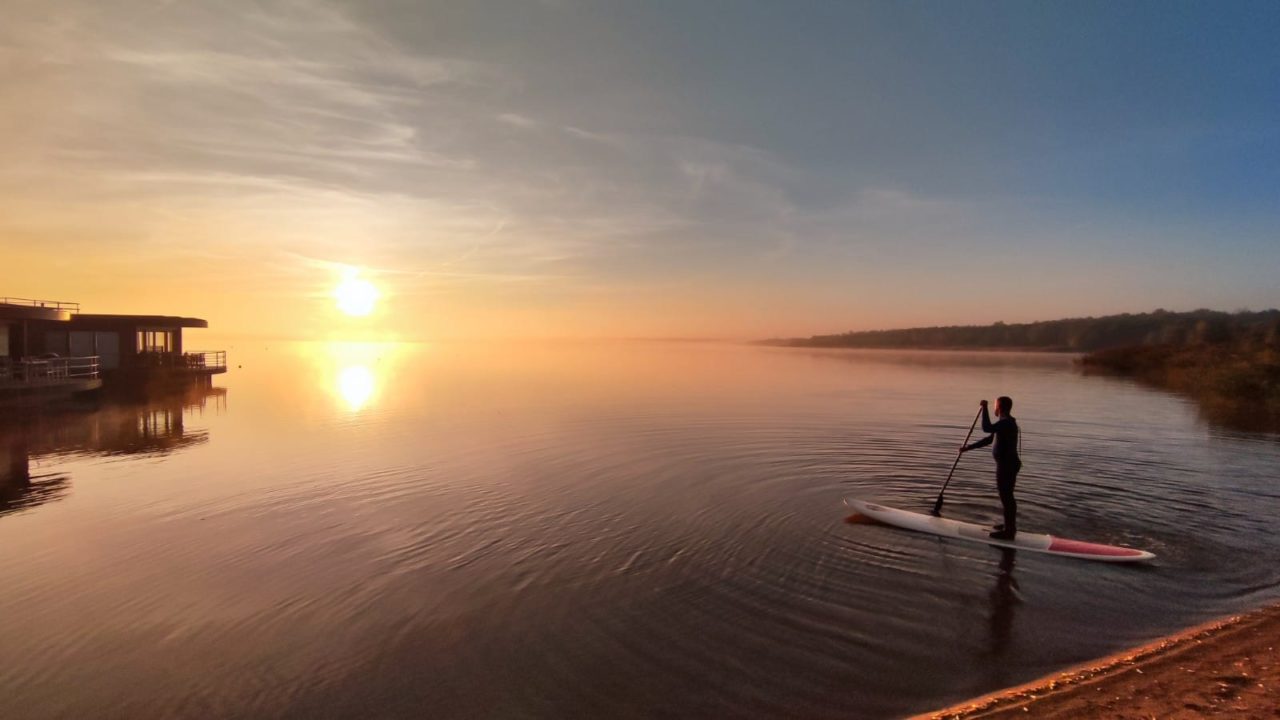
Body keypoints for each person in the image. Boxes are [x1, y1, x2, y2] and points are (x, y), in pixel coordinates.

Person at [960, 397, 1021, 540]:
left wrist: (985, 408)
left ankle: (1009, 531)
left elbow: (986, 427)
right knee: (1007, 496)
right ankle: (1009, 526)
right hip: (1008, 464)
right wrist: (968, 448)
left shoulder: (1006, 423)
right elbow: (989, 439)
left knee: (1007, 497)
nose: (994, 408)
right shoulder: (1004, 423)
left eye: (994, 406)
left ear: (999, 407)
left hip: (1007, 465)